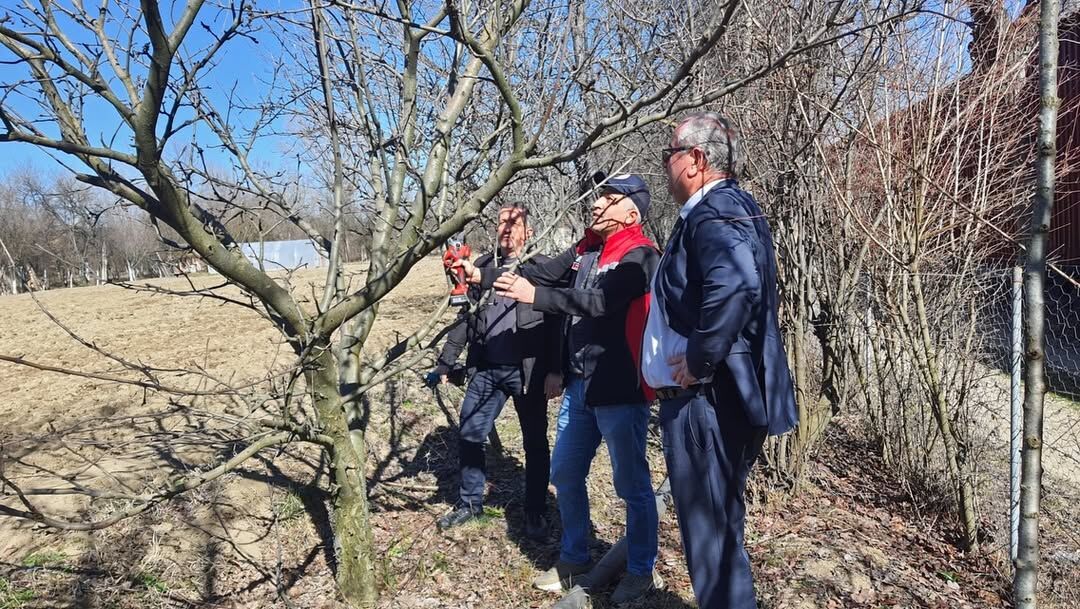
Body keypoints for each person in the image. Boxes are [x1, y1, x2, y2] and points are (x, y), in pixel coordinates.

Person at [457, 174, 661, 604]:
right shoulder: (587, 250)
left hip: (620, 388)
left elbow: (600, 303)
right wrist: (480, 273)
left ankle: (639, 570)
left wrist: (535, 296)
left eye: (608, 197)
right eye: (597, 195)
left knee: (631, 487)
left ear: (631, 211)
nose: (596, 203)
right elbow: (537, 273)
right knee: (566, 473)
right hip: (581, 385)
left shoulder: (640, 255)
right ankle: (575, 557)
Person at [642, 112, 798, 609]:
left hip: (703, 403)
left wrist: (701, 358)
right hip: (717, 400)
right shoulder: (737, 209)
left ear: (697, 160)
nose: (665, 165)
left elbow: (737, 284)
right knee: (721, 534)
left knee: (712, 542)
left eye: (670, 154)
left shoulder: (715, 212)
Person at [431, 204, 564, 540]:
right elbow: (466, 316)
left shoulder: (543, 268)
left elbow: (559, 324)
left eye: (514, 222)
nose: (506, 228)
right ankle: (470, 502)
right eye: (501, 222)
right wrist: (447, 360)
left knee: (534, 443)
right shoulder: (480, 268)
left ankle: (535, 511)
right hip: (488, 368)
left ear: (528, 231)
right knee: (470, 433)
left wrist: (556, 370)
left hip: (529, 371)